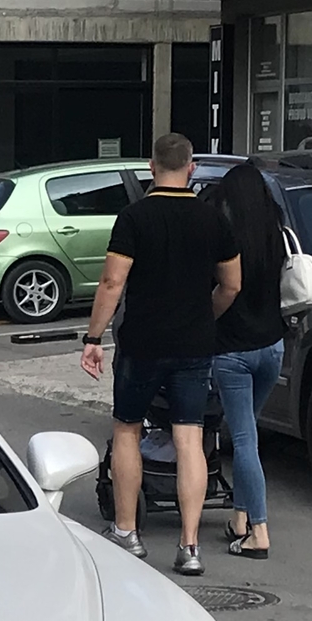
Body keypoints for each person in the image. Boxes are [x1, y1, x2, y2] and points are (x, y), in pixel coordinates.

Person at [81, 133, 241, 575]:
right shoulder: (213, 220)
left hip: (142, 343)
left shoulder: (134, 217)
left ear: (152, 168)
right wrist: (205, 315)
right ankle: (189, 546)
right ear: (191, 168)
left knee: (128, 429)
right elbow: (232, 284)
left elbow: (113, 283)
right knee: (190, 436)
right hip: (194, 344)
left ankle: (127, 532)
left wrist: (93, 338)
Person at [208, 159, 290, 560]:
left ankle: (258, 530)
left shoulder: (225, 233)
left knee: (243, 441)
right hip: (273, 346)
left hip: (233, 351)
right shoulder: (275, 231)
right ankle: (239, 519)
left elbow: (224, 287)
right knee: (249, 435)